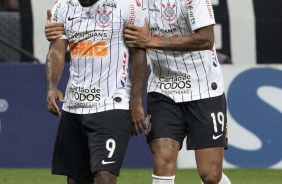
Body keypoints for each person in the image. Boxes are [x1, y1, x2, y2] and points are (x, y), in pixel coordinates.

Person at [45, 0, 231, 183]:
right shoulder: (132, 3)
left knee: (210, 175)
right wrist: (56, 24)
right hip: (163, 89)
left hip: (205, 87)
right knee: (162, 165)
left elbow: (206, 39)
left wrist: (152, 41)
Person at [45, 0, 147, 183]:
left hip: (112, 104)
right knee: (75, 179)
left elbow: (138, 53)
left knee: (105, 176)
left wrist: (136, 101)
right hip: (75, 105)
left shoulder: (126, 6)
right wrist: (52, 87)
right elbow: (56, 51)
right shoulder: (62, 7)